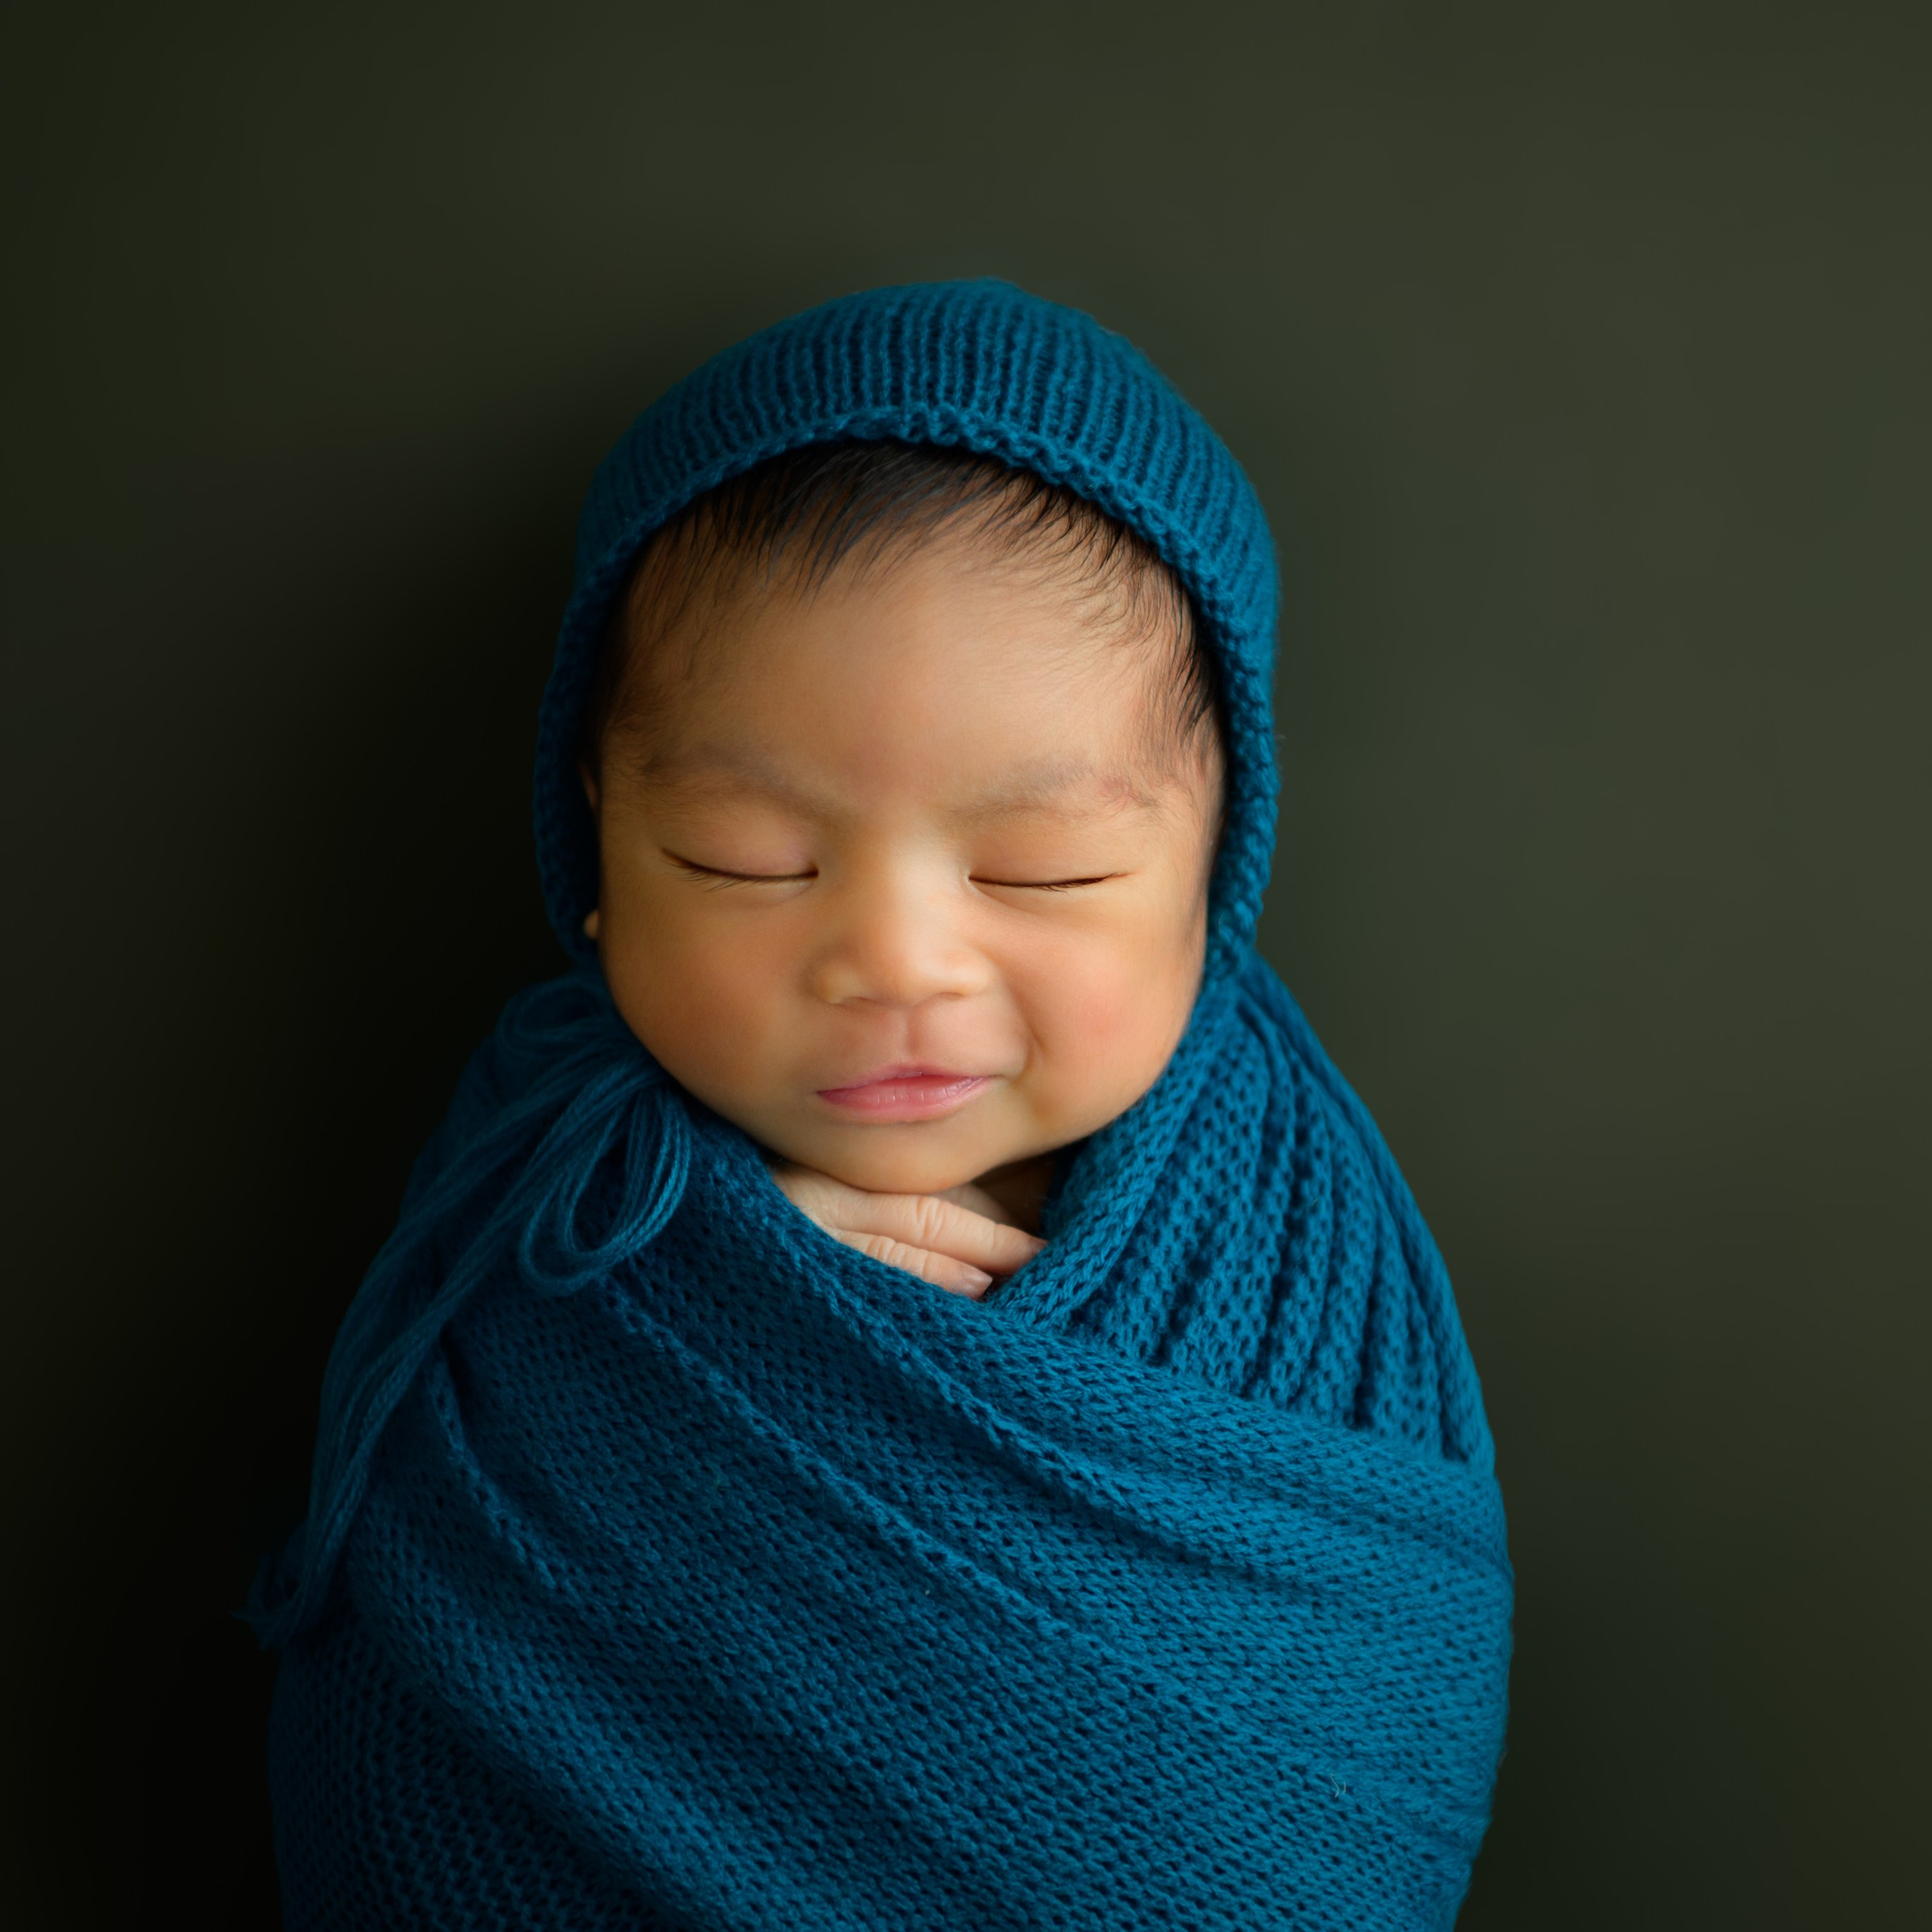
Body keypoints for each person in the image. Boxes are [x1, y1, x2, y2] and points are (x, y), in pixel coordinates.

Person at [253, 279, 1514, 1930]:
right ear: (597, 850)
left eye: (1041, 866)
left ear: (1211, 865)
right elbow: (412, 1686)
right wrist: (702, 1275)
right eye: (747, 859)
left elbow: (1362, 1736)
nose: (896, 961)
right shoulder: (536, 1202)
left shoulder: (1303, 1266)